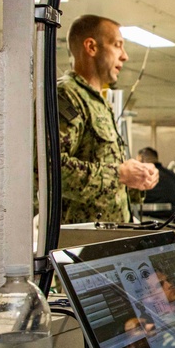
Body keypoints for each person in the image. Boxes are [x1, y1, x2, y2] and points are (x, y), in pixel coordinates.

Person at [58, 14, 158, 224]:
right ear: (91, 47)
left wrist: (137, 178)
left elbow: (103, 165)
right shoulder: (66, 96)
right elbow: (49, 171)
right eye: (117, 45)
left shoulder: (99, 102)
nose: (125, 56)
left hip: (108, 234)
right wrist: (119, 174)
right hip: (81, 242)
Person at [137, 147, 175, 223]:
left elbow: (138, 199)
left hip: (169, 222)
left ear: (140, 159)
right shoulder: (171, 175)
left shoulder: (150, 176)